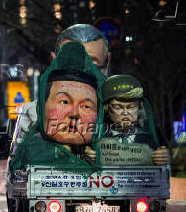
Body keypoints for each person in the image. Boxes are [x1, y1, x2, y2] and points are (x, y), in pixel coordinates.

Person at [10, 24, 110, 155]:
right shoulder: (33, 114)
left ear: (107, 61)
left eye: (93, 63)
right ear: (53, 61)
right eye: (69, 62)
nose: (82, 72)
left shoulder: (125, 113)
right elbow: (20, 169)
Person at [85, 75, 169, 165]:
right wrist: (88, 158)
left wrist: (162, 158)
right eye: (118, 107)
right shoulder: (97, 139)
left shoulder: (149, 140)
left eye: (131, 107)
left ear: (139, 108)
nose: (125, 113)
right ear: (106, 110)